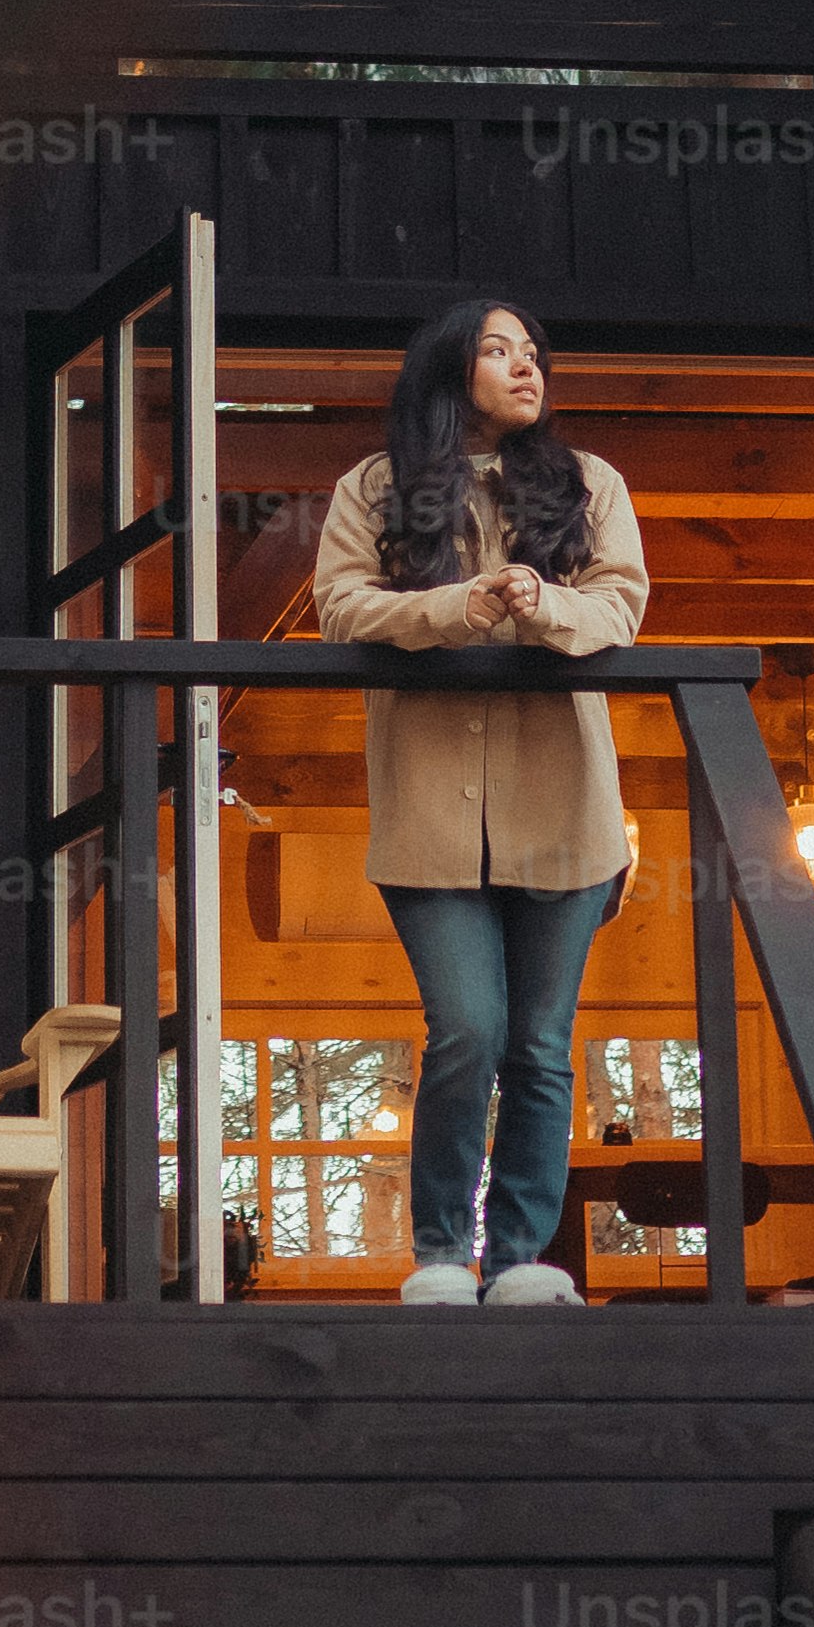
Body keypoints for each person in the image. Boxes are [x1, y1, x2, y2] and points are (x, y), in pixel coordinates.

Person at [311, 298, 649, 1306]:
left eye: (533, 351)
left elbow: (622, 604)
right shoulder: (372, 487)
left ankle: (520, 1262)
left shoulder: (590, 483)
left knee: (542, 1044)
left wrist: (547, 607)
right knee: (465, 1027)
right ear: (446, 368)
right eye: (497, 350)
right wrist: (452, 608)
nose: (525, 365)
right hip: (428, 815)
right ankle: (439, 1254)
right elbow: (340, 606)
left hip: (568, 811)